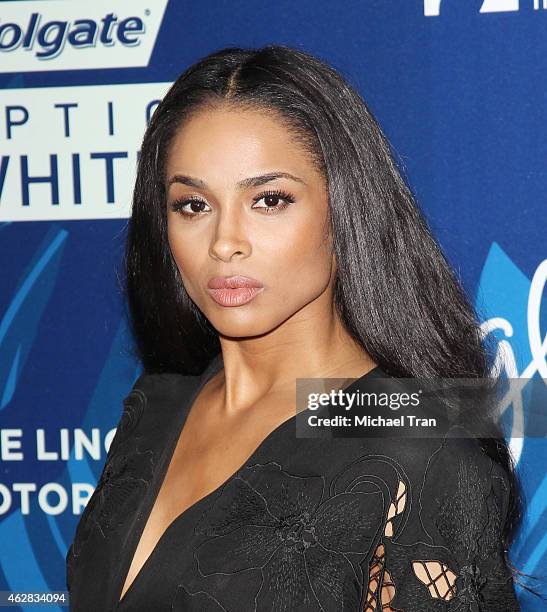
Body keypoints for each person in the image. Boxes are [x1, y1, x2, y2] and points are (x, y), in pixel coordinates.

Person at [66, 44, 533, 611]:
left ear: (346, 212)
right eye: (192, 205)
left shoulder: (411, 436)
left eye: (268, 199)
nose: (224, 241)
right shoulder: (157, 404)